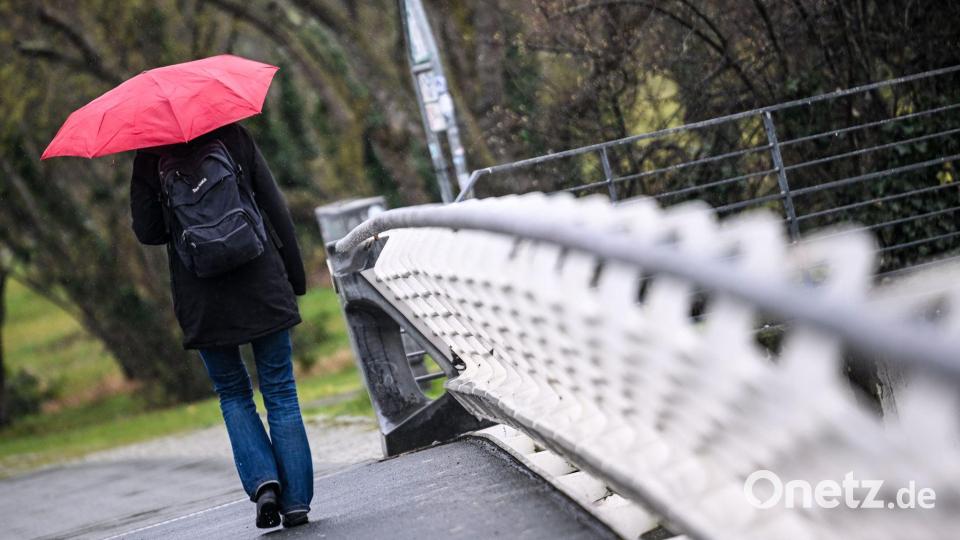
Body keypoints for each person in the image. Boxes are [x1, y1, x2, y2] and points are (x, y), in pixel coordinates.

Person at [129, 122, 313, 529]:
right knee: (280, 390)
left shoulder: (149, 156)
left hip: (201, 293)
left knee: (233, 394)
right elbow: (273, 205)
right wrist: (295, 278)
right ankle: (297, 501)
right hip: (260, 279)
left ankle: (264, 483)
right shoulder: (233, 135)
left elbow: (148, 231)